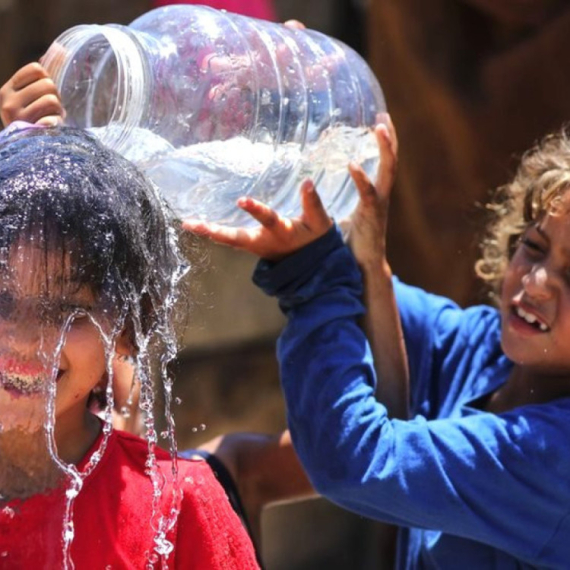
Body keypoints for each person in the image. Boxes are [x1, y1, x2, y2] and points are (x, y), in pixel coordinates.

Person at [183, 117, 570, 567]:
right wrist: (346, 233)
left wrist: (310, 275)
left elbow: (353, 461)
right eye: (535, 247)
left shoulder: (552, 456)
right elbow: (363, 291)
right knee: (211, 470)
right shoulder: (485, 350)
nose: (537, 282)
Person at [0, 124, 260, 568]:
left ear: (126, 325)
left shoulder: (179, 505)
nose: (25, 339)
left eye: (65, 310)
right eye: (2, 299)